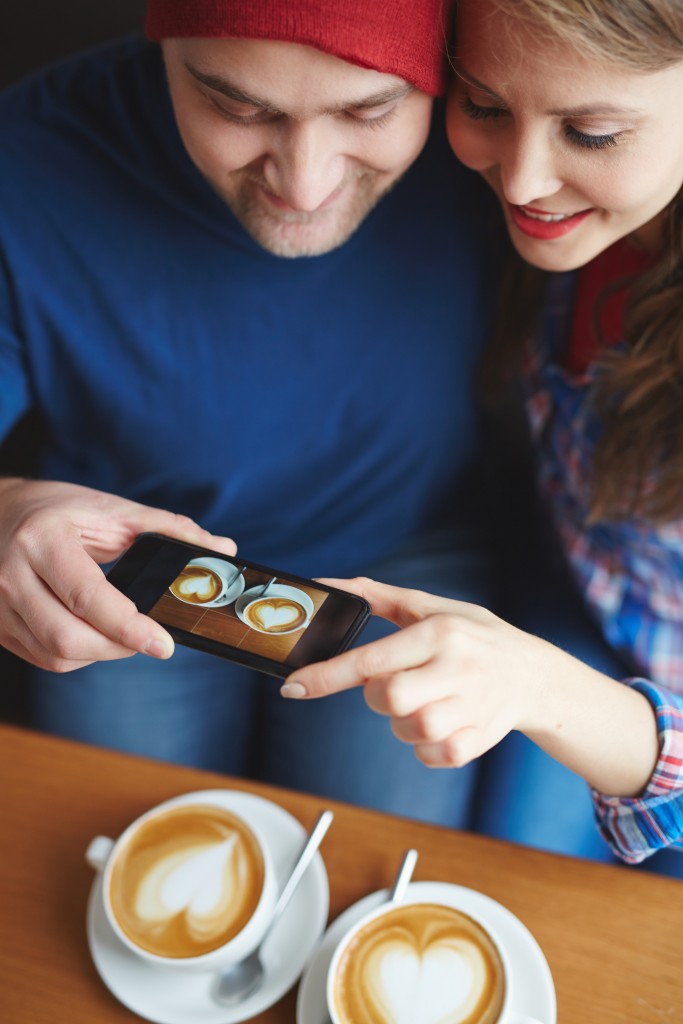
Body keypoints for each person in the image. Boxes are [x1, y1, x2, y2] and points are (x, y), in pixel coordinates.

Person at [0, 0, 502, 823]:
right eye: (237, 107)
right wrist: (5, 510)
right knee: (107, 861)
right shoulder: (24, 165)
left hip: (408, 553)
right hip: (132, 571)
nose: (305, 184)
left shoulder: (495, 143)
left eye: (369, 110)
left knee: (373, 877)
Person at [280, 0, 683, 872]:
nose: (521, 180)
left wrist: (542, 686)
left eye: (593, 132)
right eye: (485, 105)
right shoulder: (491, 212)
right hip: (567, 604)